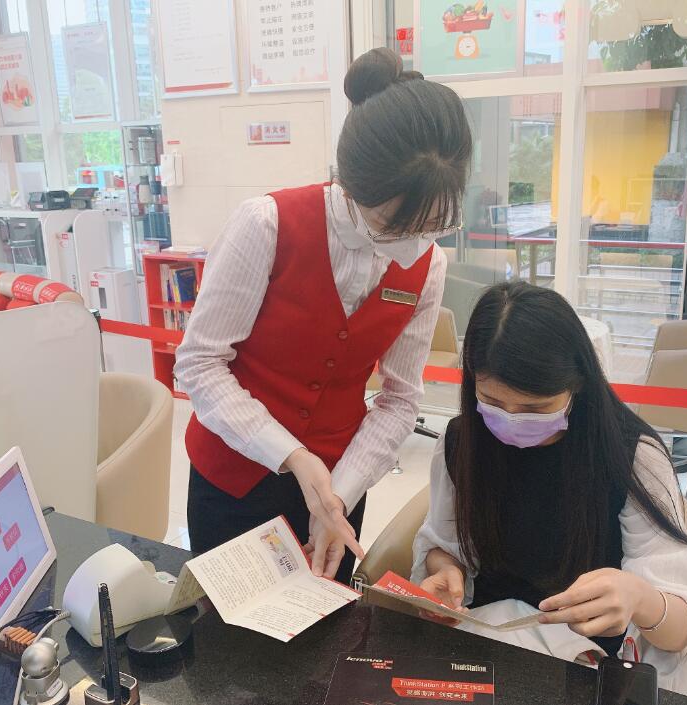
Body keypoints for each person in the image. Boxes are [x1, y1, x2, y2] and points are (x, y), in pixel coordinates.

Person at [175, 47, 473, 584]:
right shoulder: (266, 226)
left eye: (432, 225)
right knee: (228, 626)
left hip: (340, 484)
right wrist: (291, 454)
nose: (413, 243)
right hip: (233, 477)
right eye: (394, 224)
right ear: (353, 186)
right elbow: (199, 363)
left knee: (327, 623)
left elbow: (400, 399)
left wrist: (340, 492)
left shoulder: (428, 266)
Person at [411, 282, 687, 697]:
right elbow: (443, 543)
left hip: (588, 664)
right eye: (493, 402)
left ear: (577, 385)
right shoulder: (461, 442)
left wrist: (640, 598)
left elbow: (683, 635)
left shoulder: (630, 456)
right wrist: (445, 572)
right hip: (487, 645)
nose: (511, 420)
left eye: (536, 408)